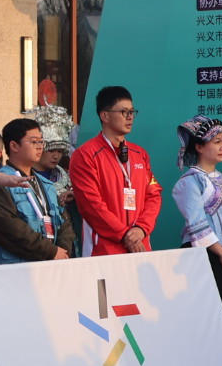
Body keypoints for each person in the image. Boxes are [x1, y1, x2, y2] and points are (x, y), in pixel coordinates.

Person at [172, 116, 222, 331]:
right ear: (199, 147)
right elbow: (196, 222)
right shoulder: (189, 181)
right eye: (216, 142)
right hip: (206, 253)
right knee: (210, 313)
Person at [70, 85, 163, 256]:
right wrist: (125, 235)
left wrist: (141, 228)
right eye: (123, 112)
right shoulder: (85, 155)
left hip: (140, 246)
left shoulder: (140, 154)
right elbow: (91, 205)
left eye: (132, 112)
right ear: (104, 116)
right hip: (104, 250)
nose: (130, 117)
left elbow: (153, 195)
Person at [0, 118, 74, 263]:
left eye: (41, 142)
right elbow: (9, 229)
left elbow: (64, 222)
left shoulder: (47, 184)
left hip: (50, 264)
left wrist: (62, 251)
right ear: (14, 146)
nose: (40, 147)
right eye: (34, 142)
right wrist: (51, 251)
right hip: (12, 268)